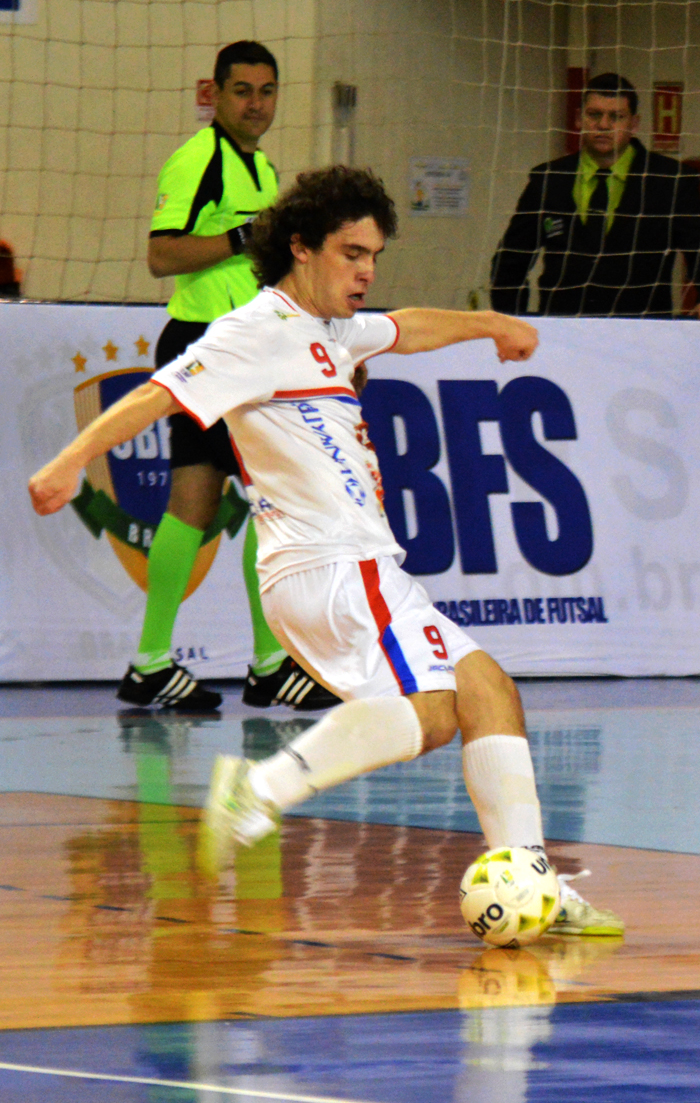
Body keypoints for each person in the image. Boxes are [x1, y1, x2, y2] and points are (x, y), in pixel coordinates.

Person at [29, 166, 623, 936]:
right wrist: (70, 460)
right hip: (331, 566)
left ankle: (532, 878)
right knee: (436, 710)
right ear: (301, 249)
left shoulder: (332, 331)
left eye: (374, 254)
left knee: (488, 689)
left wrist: (490, 325)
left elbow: (406, 326)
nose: (367, 270)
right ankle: (262, 789)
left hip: (356, 567)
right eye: (351, 253)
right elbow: (161, 392)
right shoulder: (256, 330)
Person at [121, 38, 337, 713]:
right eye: (242, 90)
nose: (256, 103)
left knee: (202, 501)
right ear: (214, 94)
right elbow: (161, 255)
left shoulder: (262, 170)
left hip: (238, 351)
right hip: (208, 347)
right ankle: (262, 661)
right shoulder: (199, 161)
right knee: (271, 498)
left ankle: (157, 662)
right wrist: (245, 236)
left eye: (266, 91)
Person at [491, 72, 700, 317]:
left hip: (644, 334)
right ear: (579, 118)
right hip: (563, 331)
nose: (603, 125)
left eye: (616, 117)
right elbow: (511, 261)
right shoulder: (549, 179)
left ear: (634, 124)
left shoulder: (671, 180)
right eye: (594, 115)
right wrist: (514, 319)